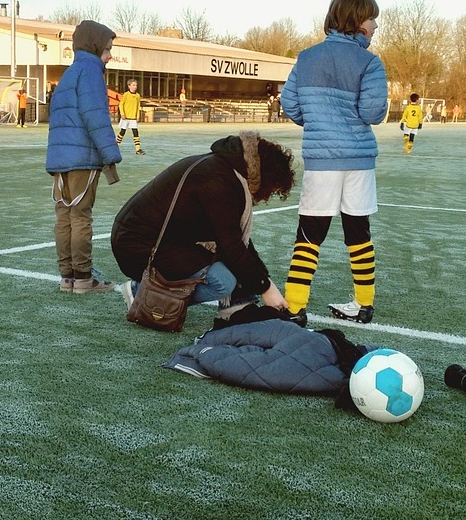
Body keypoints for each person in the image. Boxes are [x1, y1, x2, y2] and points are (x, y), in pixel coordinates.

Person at [280, 0, 389, 326]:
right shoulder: (370, 62)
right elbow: (373, 112)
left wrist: (318, 120)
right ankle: (364, 304)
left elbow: (290, 104)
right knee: (359, 231)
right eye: (372, 18)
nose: (374, 26)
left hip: (321, 160)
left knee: (309, 235)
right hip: (357, 160)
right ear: (357, 20)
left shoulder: (306, 57)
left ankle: (296, 308)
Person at [112, 132, 294, 316]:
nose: (266, 197)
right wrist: (266, 288)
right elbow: (231, 246)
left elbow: (235, 238)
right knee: (222, 281)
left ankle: (238, 299)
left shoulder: (223, 168)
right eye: (271, 191)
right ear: (264, 176)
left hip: (153, 238)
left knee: (226, 259)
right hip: (137, 247)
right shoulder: (219, 181)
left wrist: (264, 280)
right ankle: (142, 293)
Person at [45, 20, 123, 293]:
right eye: (108, 49)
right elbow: (95, 117)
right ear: (95, 46)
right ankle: (84, 279)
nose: (110, 55)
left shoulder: (69, 73)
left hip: (60, 159)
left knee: (64, 217)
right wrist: (110, 155)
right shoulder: (91, 73)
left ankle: (68, 277)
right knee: (81, 217)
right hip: (82, 159)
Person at [115, 78, 145, 155]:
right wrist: (122, 114)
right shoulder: (126, 94)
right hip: (126, 117)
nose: (135, 87)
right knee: (122, 132)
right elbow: (121, 104)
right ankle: (116, 147)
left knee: (135, 132)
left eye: (136, 85)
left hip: (133, 118)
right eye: (133, 85)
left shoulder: (138, 96)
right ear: (129, 86)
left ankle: (138, 149)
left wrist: (137, 116)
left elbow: (138, 106)